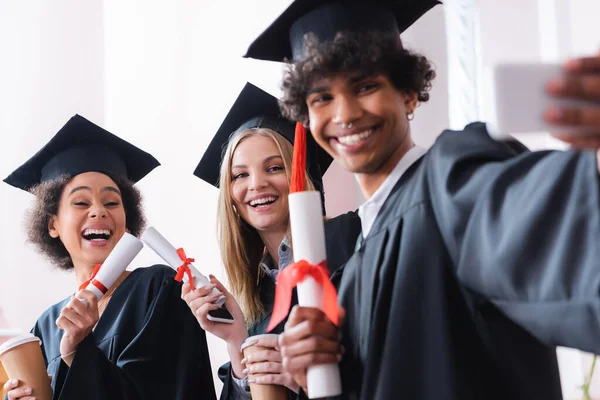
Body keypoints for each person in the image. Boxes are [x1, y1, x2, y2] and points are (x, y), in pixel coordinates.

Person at [244, 1, 600, 399]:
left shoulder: (453, 180)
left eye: (365, 86)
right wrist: (320, 375)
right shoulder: (357, 265)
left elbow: (569, 239)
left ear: (409, 93)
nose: (344, 113)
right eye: (322, 98)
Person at [3, 115, 216, 400]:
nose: (98, 211)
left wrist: (78, 354)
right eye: (80, 202)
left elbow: (169, 391)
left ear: (128, 220)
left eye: (112, 202)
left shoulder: (159, 288)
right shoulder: (47, 325)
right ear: (52, 224)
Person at [184, 83, 361, 399]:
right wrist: (237, 339)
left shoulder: (351, 239)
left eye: (275, 167)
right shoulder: (257, 294)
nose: (257, 184)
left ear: (301, 174)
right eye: (240, 175)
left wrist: (305, 378)